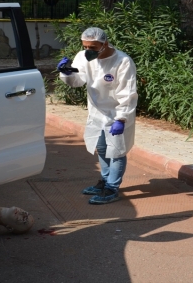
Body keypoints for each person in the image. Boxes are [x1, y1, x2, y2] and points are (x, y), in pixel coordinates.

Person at [57, 27, 138, 205]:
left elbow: (128, 93)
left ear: (105, 44)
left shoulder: (122, 61)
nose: (88, 51)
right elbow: (77, 82)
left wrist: (121, 118)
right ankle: (104, 180)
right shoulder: (83, 57)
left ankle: (112, 188)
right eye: (85, 46)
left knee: (116, 151)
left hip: (117, 112)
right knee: (101, 147)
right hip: (97, 112)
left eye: (92, 47)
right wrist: (67, 72)